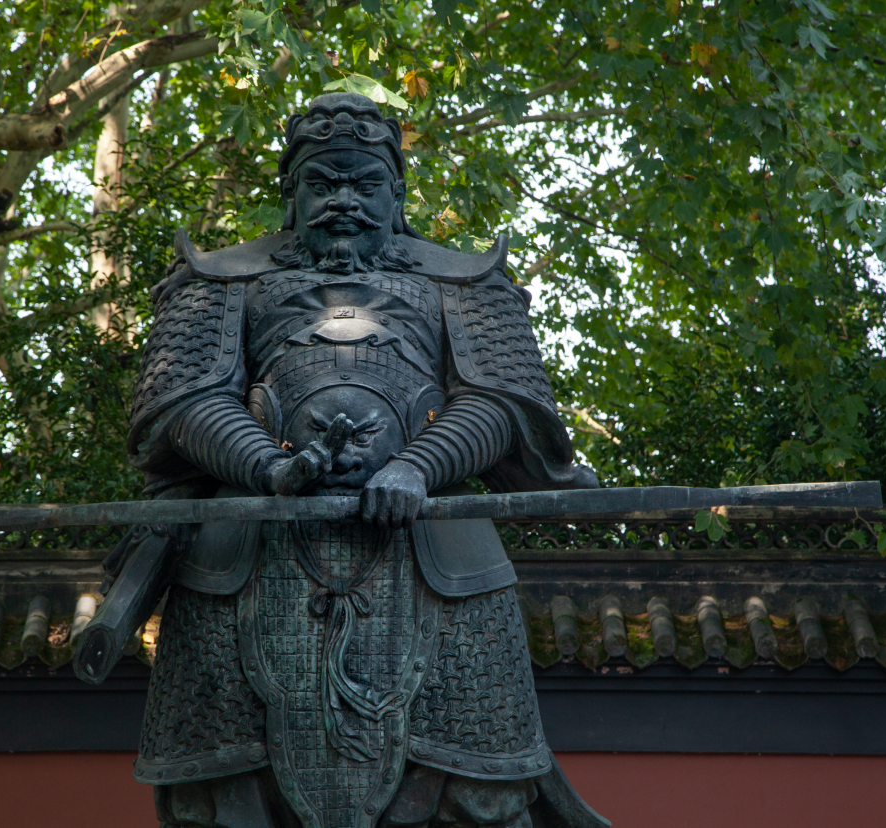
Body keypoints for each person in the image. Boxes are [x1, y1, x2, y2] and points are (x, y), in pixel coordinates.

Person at [124, 92, 607, 828]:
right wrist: (266, 464)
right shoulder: (220, 279)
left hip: (435, 562)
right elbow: (182, 403)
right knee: (217, 798)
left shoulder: (464, 282)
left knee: (479, 795)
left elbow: (502, 402)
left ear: (398, 195)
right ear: (292, 194)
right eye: (322, 182)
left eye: (364, 183)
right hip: (250, 558)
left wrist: (419, 464)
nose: (342, 200)